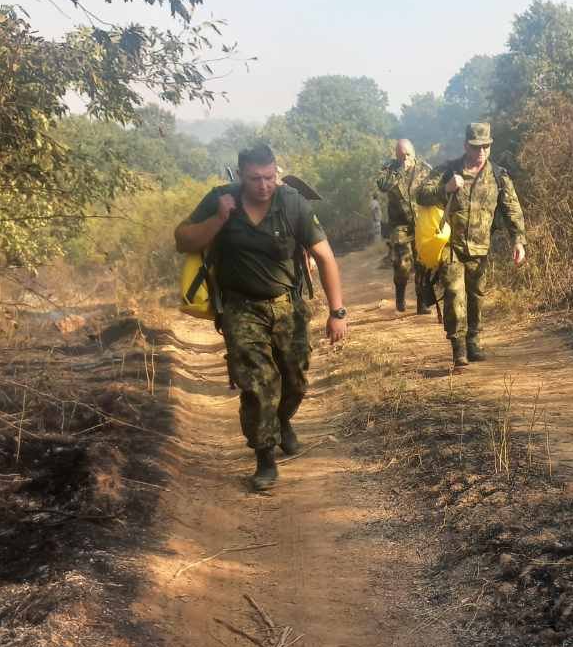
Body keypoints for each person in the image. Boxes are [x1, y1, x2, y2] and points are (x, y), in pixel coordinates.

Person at [174, 144, 349, 493]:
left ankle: (282, 420)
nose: (264, 185)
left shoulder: (293, 203)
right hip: (240, 308)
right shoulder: (221, 200)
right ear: (241, 176)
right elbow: (182, 239)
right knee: (257, 384)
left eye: (270, 177)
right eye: (255, 179)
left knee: (295, 380)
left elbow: (325, 257)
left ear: (277, 172)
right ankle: (265, 457)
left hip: (287, 305)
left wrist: (337, 312)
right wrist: (218, 219)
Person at [417, 121, 525, 369]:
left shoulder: (498, 175)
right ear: (466, 145)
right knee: (454, 294)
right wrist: (446, 188)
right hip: (450, 245)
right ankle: (459, 348)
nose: (481, 152)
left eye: (486, 146)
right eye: (476, 147)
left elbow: (512, 210)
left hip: (480, 247)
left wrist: (518, 241)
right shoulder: (449, 170)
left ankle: (473, 341)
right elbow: (420, 195)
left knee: (476, 296)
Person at [376, 137, 434, 314]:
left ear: (414, 153)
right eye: (401, 155)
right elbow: (383, 186)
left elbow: (435, 191)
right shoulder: (389, 169)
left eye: (408, 155)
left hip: (422, 223)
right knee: (402, 265)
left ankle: (422, 302)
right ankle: (400, 294)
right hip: (399, 225)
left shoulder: (425, 169)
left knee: (423, 263)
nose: (405, 158)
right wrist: (399, 170)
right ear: (395, 155)